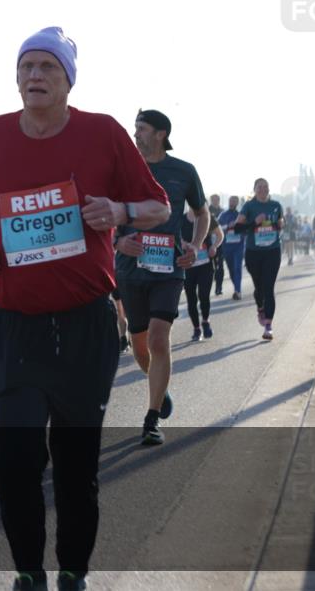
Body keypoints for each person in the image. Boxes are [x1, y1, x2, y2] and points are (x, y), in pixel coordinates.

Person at [0, 27, 169, 591]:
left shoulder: (102, 133)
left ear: (67, 79)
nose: (34, 76)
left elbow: (158, 205)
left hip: (85, 325)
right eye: (27, 66)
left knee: (76, 468)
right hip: (17, 327)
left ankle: (73, 573)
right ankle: (28, 572)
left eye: (47, 68)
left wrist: (120, 209)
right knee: (13, 463)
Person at [115, 109, 208, 446]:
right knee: (140, 345)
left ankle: (151, 419)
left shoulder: (183, 171)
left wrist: (195, 246)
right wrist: (118, 241)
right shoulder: (122, 170)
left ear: (160, 134)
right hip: (130, 270)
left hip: (169, 269)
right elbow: (103, 213)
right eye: (134, 128)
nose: (135, 134)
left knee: (157, 339)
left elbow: (202, 213)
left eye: (141, 129)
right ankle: (160, 389)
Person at [234, 178, 284, 340]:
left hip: (273, 251)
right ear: (254, 189)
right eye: (260, 187)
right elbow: (237, 229)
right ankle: (260, 307)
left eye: (266, 187)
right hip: (254, 253)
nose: (263, 189)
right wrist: (254, 223)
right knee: (259, 287)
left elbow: (280, 223)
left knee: (269, 287)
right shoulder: (249, 206)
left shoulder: (276, 205)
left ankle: (268, 326)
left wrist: (279, 224)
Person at [182, 207, 224, 341]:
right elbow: (173, 236)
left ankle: (205, 321)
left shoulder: (207, 217)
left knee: (204, 295)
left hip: (205, 264)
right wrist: (182, 243)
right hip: (187, 266)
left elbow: (220, 235)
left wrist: (214, 246)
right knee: (191, 299)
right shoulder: (181, 219)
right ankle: (196, 328)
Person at [218, 196, 246, 300]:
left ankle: (237, 291)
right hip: (227, 246)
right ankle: (236, 287)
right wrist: (228, 226)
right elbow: (218, 228)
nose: (232, 203)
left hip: (238, 246)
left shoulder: (241, 215)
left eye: (234, 201)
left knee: (237, 267)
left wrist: (237, 226)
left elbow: (245, 229)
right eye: (231, 201)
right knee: (231, 270)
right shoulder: (223, 215)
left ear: (237, 203)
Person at [208, 194, 225, 294]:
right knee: (211, 268)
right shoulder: (206, 210)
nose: (215, 201)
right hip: (208, 243)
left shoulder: (223, 212)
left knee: (220, 266)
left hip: (219, 243)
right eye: (213, 199)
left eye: (217, 199)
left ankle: (219, 287)